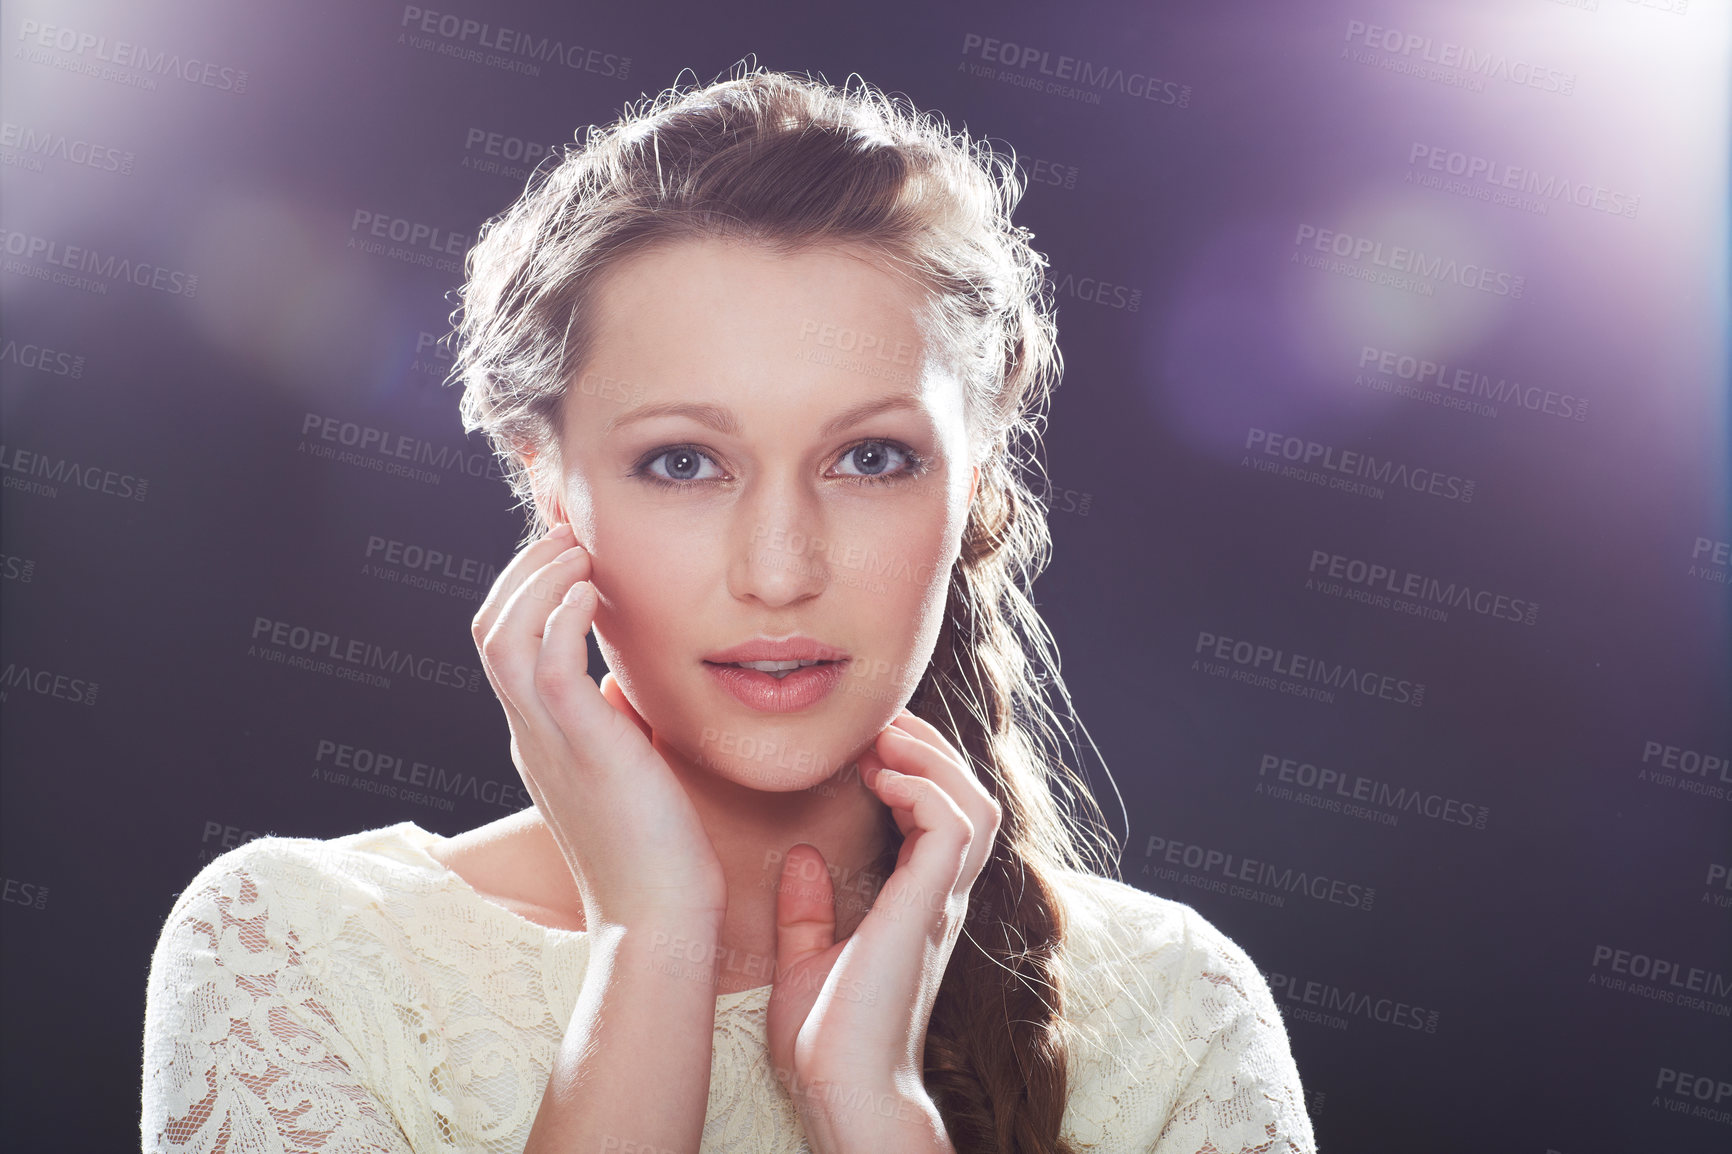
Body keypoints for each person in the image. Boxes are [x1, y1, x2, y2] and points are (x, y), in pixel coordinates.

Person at [140, 64, 1316, 1154]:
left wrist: (875, 1106)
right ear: (547, 479)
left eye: (868, 457)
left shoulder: (1174, 1009)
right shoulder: (290, 949)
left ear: (975, 485)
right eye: (683, 463)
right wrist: (651, 938)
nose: (779, 567)